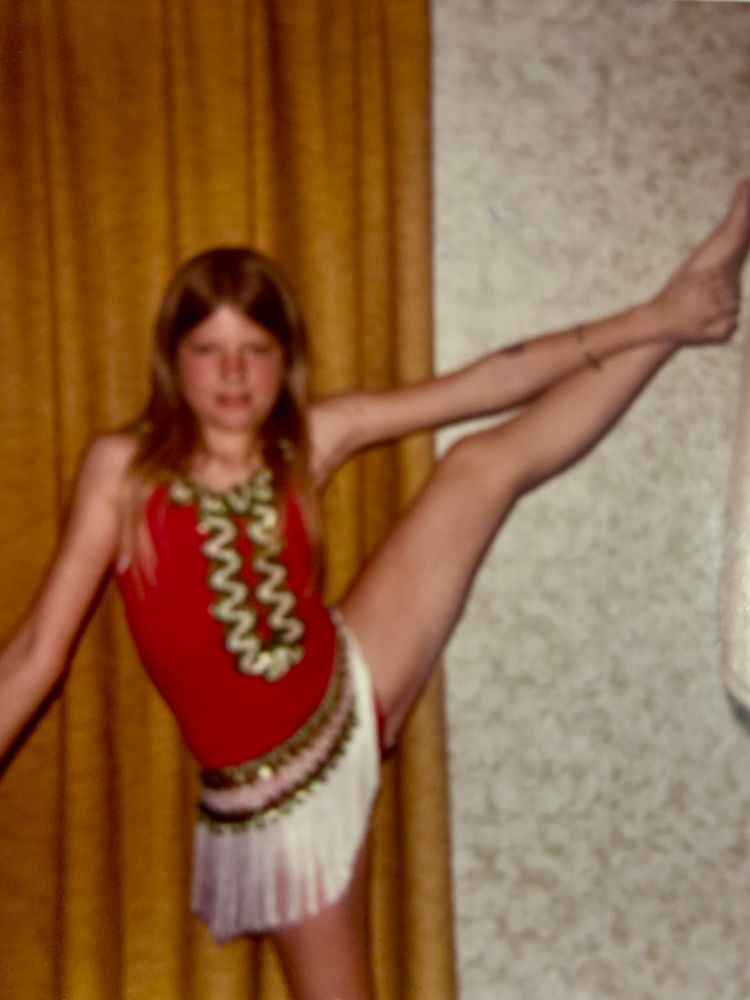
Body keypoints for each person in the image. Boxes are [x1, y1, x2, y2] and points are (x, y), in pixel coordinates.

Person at [1, 180, 749, 1000]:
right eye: (209, 350)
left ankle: (690, 294)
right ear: (172, 360)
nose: (234, 374)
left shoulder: (308, 439)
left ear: (284, 359)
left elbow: (487, 382)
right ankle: (676, 312)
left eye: (255, 349)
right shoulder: (124, 470)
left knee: (478, 464)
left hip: (345, 679)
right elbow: (38, 649)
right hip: (281, 794)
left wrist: (650, 321)